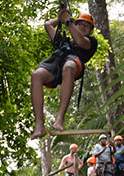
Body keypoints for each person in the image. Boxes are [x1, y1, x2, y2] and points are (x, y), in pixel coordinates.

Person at [31, 9, 98, 139]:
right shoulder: (64, 42)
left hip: (73, 63)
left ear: (91, 30)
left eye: (86, 25)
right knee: (36, 75)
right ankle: (39, 123)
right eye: (79, 24)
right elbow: (48, 25)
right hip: (56, 62)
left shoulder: (91, 41)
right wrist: (61, 17)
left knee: (68, 66)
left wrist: (69, 21)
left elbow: (80, 41)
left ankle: (60, 118)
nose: (82, 26)